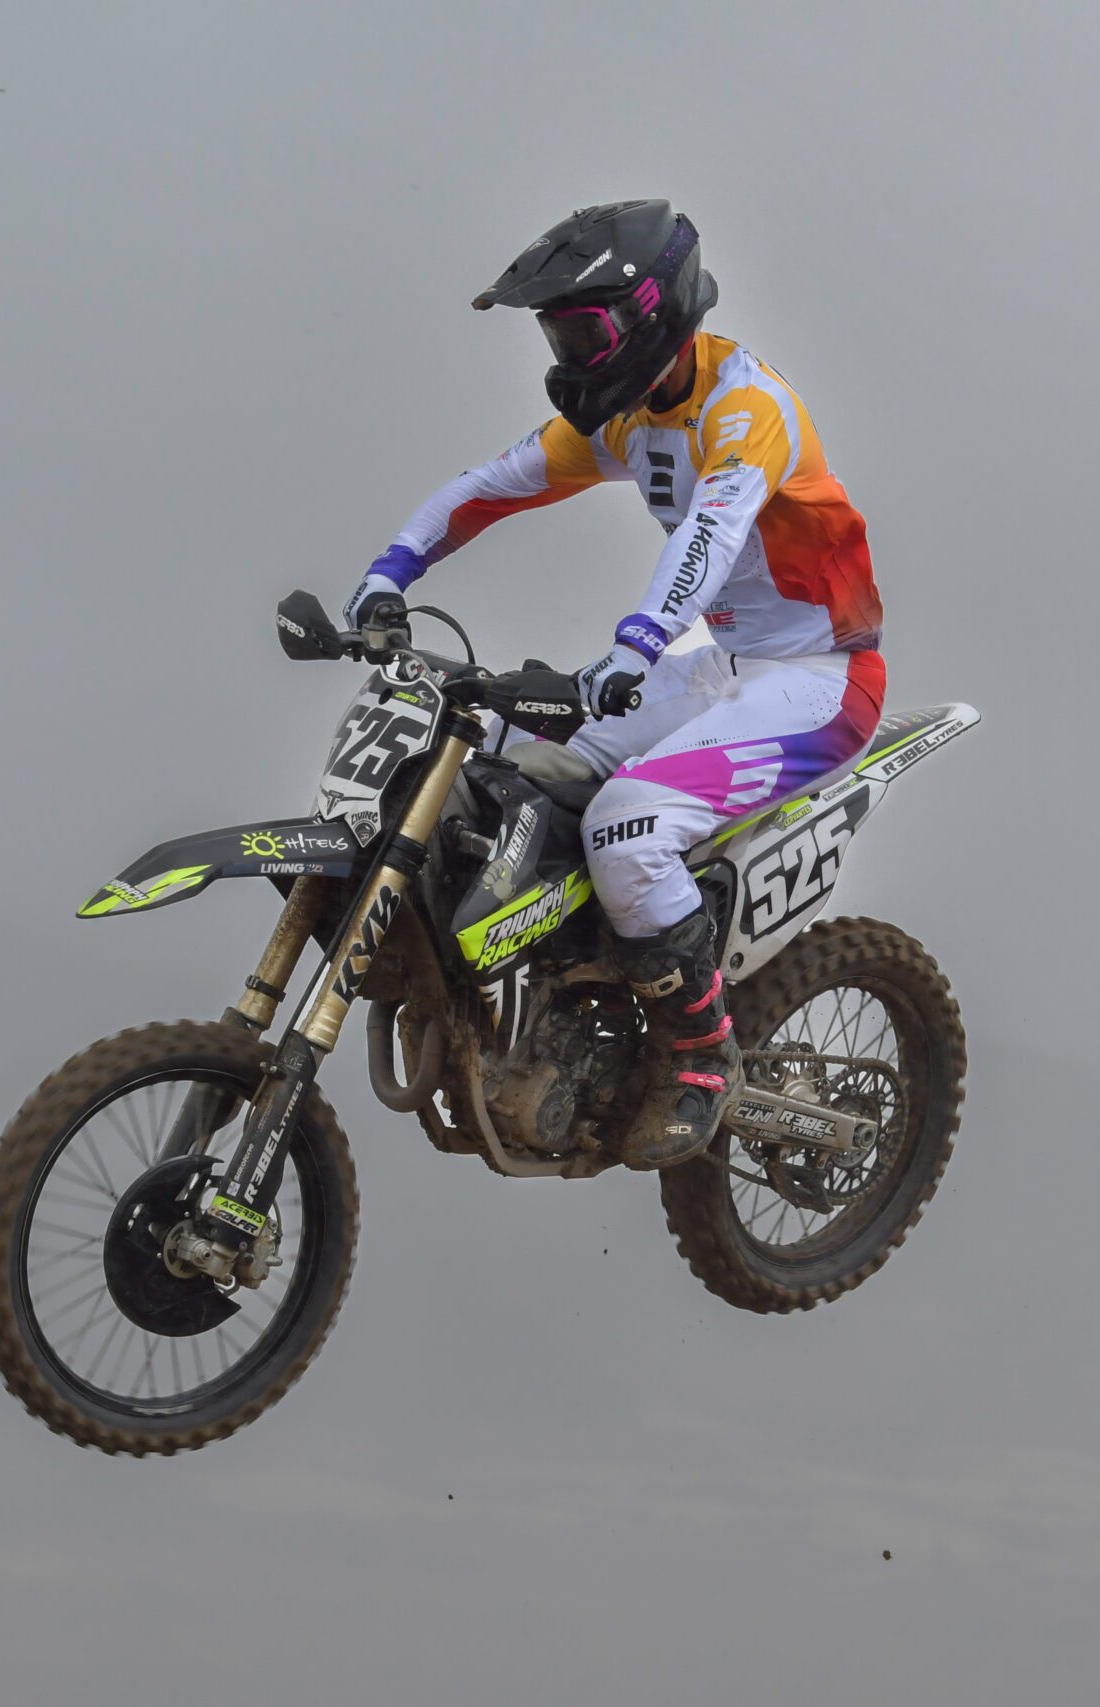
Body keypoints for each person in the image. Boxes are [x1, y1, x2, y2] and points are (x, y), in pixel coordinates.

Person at [343, 200, 884, 1170]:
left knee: (626, 828)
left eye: (583, 332)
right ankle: (570, 984)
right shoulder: (634, 416)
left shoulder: (745, 408)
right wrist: (390, 573)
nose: (568, 354)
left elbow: (709, 534)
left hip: (818, 680)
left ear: (650, 313)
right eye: (558, 335)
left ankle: (701, 1052)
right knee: (521, 768)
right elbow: (491, 485)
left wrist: (636, 644)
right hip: (718, 667)